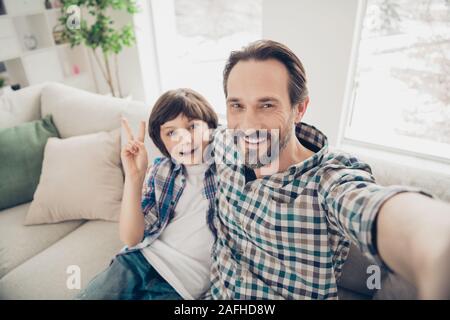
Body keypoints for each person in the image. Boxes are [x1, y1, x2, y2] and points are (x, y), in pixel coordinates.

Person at [207, 40, 450, 299]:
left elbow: (371, 206)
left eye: (267, 105)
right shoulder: (224, 144)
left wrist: (437, 245)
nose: (247, 124)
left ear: (299, 109)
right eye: (237, 106)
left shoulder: (328, 180)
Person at [76, 88, 218, 300]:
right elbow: (131, 238)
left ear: (211, 128)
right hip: (137, 262)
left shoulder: (230, 165)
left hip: (182, 287)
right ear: (162, 142)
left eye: (193, 126)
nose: (185, 139)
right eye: (171, 132)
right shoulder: (162, 170)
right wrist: (135, 177)